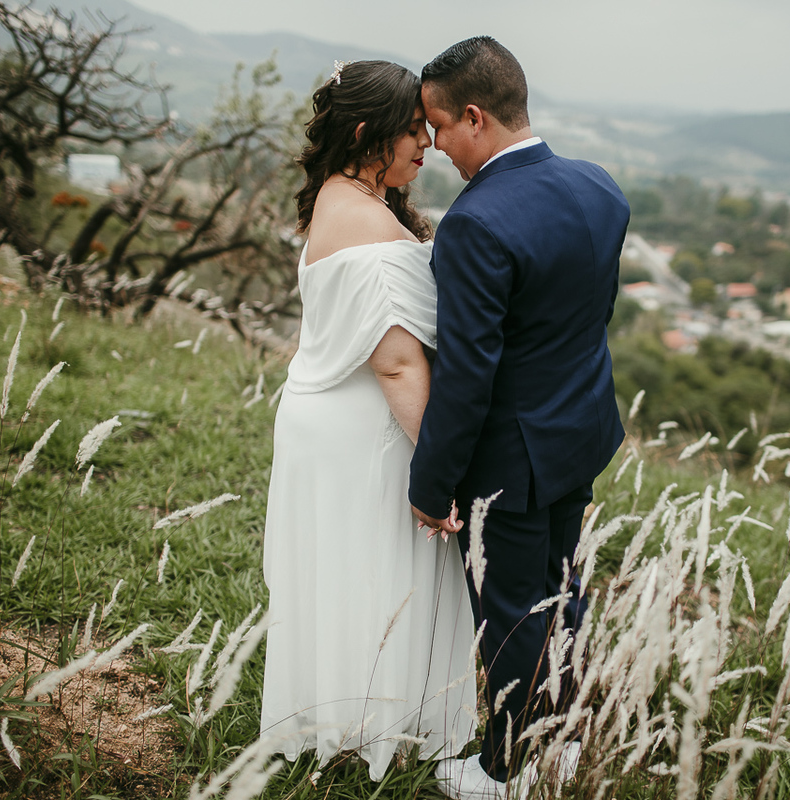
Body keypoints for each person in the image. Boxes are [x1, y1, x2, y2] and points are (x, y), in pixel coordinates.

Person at [408, 37, 631, 800]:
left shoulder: (476, 222)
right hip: (581, 434)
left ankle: (505, 771)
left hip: (511, 458)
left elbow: (467, 377)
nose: (436, 146)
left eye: (440, 127)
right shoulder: (598, 186)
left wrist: (431, 483)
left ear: (475, 117)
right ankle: (563, 743)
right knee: (562, 592)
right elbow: (588, 319)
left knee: (510, 614)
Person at [261, 59, 478, 782]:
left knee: (343, 576)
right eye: (411, 131)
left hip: (321, 418)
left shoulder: (338, 195)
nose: (426, 145)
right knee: (377, 578)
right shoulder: (371, 227)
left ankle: (343, 723)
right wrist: (441, 469)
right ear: (364, 133)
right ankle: (374, 735)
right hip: (367, 431)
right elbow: (398, 367)